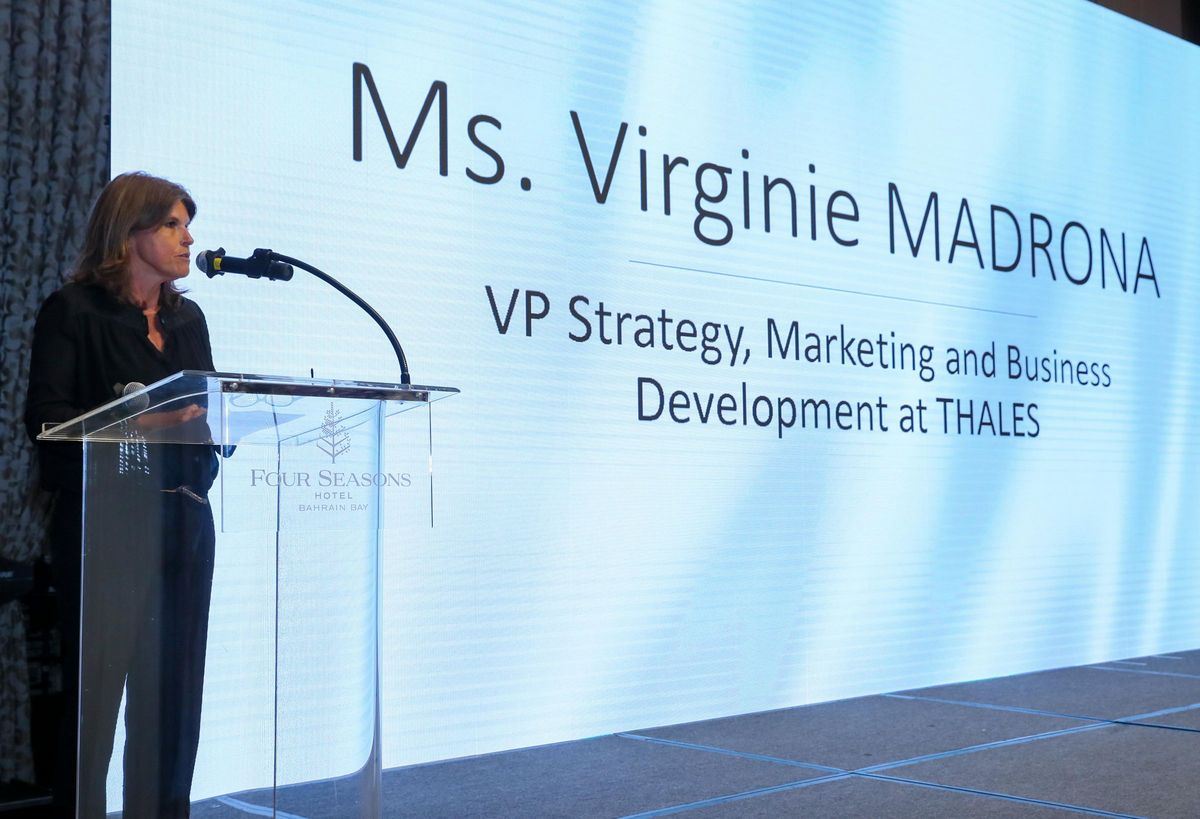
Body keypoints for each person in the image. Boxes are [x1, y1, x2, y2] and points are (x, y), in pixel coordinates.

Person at [24, 172, 219, 818]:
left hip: (185, 520)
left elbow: (205, 415)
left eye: (188, 225)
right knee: (96, 704)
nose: (188, 238)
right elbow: (47, 423)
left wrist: (199, 443)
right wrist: (146, 424)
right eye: (172, 224)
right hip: (107, 526)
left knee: (174, 702)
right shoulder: (74, 312)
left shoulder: (188, 319)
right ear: (129, 232)